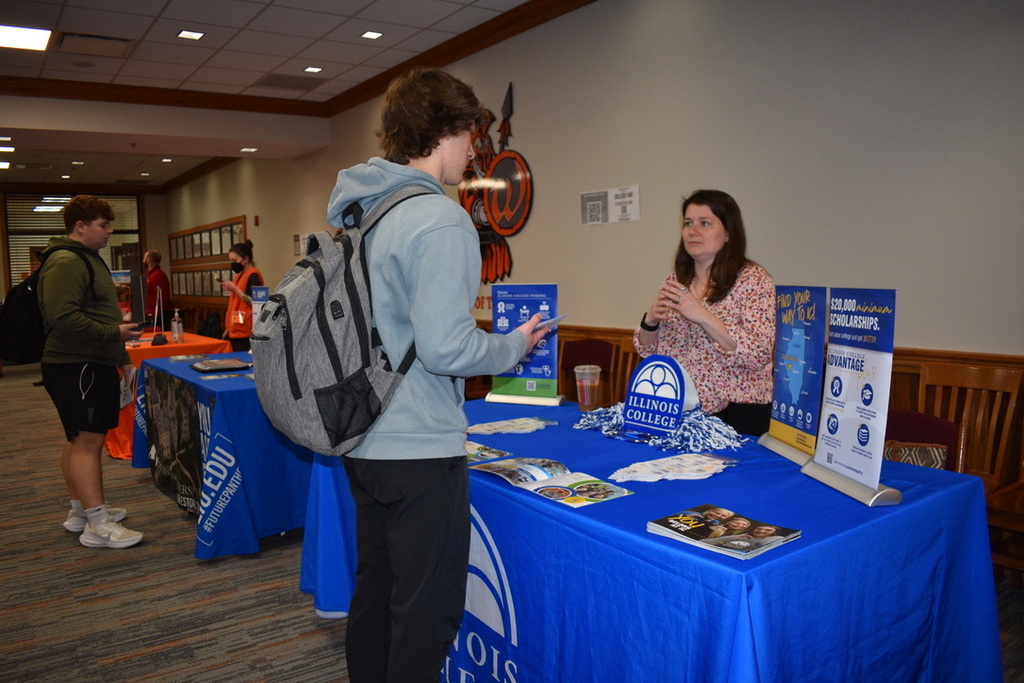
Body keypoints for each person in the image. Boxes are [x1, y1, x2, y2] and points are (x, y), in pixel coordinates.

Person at [325, 67, 546, 683]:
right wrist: (512, 346)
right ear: (445, 130)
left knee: (377, 590)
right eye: (471, 134)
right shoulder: (441, 219)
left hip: (363, 435)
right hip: (417, 445)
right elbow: (447, 349)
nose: (476, 150)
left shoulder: (364, 212)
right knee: (426, 610)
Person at [38, 195, 144, 549]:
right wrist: (114, 335)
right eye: (103, 224)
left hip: (87, 361)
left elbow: (101, 315)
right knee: (88, 442)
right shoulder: (67, 260)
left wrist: (123, 359)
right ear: (80, 227)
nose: (110, 231)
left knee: (76, 440)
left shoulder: (86, 258)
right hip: (77, 364)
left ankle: (81, 512)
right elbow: (63, 317)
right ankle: (97, 524)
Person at [634, 189, 775, 435]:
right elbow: (647, 351)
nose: (693, 231)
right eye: (688, 223)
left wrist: (701, 314)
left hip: (738, 416)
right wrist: (651, 321)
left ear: (729, 233)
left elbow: (758, 354)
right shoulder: (676, 281)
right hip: (679, 411)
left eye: (705, 223)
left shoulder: (753, 280)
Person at [219, 240, 262, 351]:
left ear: (246, 259)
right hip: (235, 329)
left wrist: (235, 289)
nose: (233, 263)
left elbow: (256, 303)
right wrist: (228, 328)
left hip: (247, 331)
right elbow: (235, 304)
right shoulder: (239, 275)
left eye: (235, 260)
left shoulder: (253, 276)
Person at [142, 249, 171, 331]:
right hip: (151, 313)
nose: (143, 260)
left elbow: (161, 298)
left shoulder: (158, 276)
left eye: (144, 257)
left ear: (148, 260)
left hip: (157, 315)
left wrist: (154, 315)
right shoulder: (150, 275)